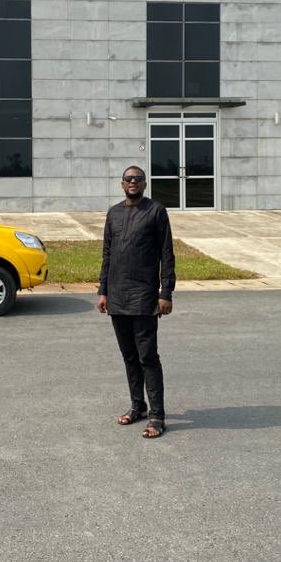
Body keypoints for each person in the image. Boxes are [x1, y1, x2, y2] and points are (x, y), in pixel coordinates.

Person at [97, 165, 175, 439]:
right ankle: (137, 406)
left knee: (147, 357)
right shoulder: (114, 213)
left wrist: (166, 293)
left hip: (143, 296)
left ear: (144, 183)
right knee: (129, 356)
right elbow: (107, 254)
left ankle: (157, 416)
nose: (133, 182)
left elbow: (167, 254)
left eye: (137, 179)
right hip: (117, 297)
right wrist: (103, 291)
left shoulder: (156, 212)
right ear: (122, 184)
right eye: (128, 179)